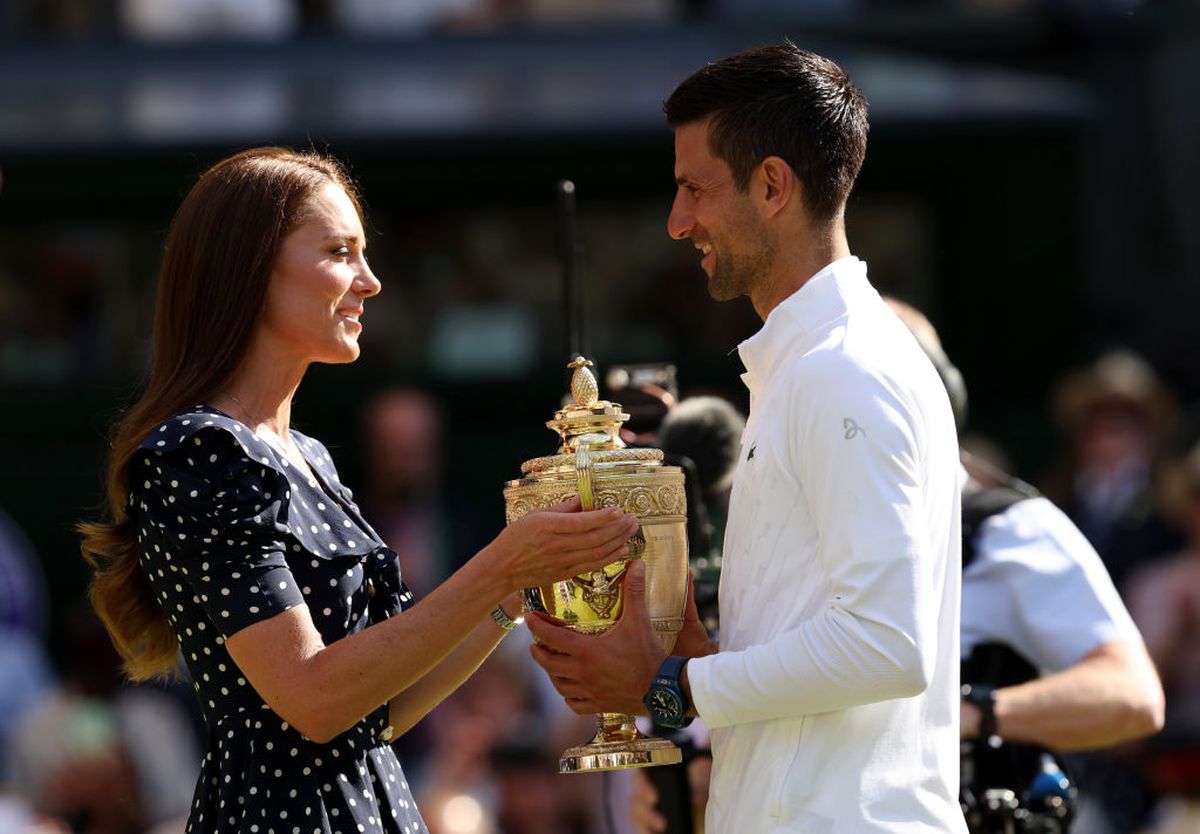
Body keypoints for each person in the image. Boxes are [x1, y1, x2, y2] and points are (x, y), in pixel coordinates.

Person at [77, 147, 641, 834]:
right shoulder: (200, 450)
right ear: (249, 268)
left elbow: (384, 711)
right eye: (340, 252)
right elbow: (312, 699)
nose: (370, 282)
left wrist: (515, 591)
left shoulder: (308, 456)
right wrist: (504, 562)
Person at [526, 44, 966, 833]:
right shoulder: (814, 364)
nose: (677, 222)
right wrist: (694, 651)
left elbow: (887, 646)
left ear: (772, 186)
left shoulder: (843, 368)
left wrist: (670, 684)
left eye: (694, 189)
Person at [627, 301, 1166, 834]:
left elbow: (1131, 696)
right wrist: (697, 771)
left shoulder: (1009, 528)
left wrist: (967, 715)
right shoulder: (775, 539)